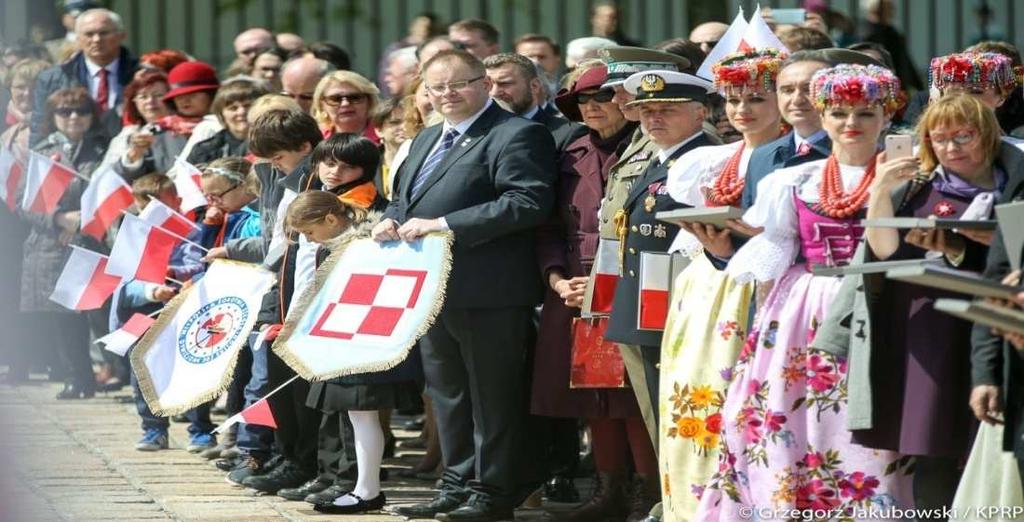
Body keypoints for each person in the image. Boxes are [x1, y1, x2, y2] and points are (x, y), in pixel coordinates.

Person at [695, 64, 913, 519]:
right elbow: (775, 258)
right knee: (789, 414)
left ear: (886, 117)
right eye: (838, 112)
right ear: (822, 114)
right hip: (800, 310)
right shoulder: (792, 181)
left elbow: (889, 253)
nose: (850, 123)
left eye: (865, 113)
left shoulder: (910, 178)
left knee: (869, 424)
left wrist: (889, 186)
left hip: (877, 305)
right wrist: (759, 342)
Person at [374, 49, 557, 521]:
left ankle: (493, 492)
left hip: (490, 292)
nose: (446, 95)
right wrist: (389, 222)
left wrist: (446, 224)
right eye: (436, 87)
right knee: (448, 394)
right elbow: (405, 201)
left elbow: (527, 201)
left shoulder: (517, 134)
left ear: (485, 84)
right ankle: (455, 484)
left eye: (457, 84)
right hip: (432, 289)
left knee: (493, 398)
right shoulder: (428, 137)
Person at [846, 94, 1015, 511]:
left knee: (992, 446)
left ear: (988, 136)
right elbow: (886, 252)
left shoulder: (1013, 185)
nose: (952, 148)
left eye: (963, 136)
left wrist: (967, 247)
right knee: (934, 450)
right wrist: (882, 188)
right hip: (930, 331)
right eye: (940, 139)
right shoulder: (919, 186)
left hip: (997, 327)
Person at [658, 48, 786, 522]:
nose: (742, 110)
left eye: (756, 98)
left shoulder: (795, 158)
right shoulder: (712, 160)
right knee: (692, 393)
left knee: (741, 398)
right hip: (706, 285)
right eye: (733, 100)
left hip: (757, 284)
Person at [535, 62, 651, 520]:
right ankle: (610, 492)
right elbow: (548, 227)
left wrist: (603, 285)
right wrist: (557, 279)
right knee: (595, 396)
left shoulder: (647, 149)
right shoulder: (571, 152)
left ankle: (647, 493)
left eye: (602, 98)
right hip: (572, 289)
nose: (593, 108)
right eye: (584, 101)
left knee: (633, 398)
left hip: (630, 284)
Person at [601, 68, 718, 519]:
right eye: (647, 111)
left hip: (675, 301)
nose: (653, 119)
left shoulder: (707, 158)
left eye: (666, 110)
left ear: (700, 112)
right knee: (658, 413)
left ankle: (683, 501)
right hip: (642, 300)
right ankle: (672, 498)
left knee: (678, 410)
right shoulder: (661, 157)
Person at [593, 47, 692, 445]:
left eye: (622, 90)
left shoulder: (690, 148)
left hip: (667, 289)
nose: (617, 99)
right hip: (635, 287)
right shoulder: (643, 142)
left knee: (671, 401)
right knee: (651, 402)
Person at [226, 110, 324, 492]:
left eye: (280, 158)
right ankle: (286, 453)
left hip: (304, 292)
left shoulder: (317, 178)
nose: (274, 167)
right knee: (275, 381)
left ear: (305, 146)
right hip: (278, 288)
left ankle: (303, 459)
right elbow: (276, 242)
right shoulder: (283, 179)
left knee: (297, 385)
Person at [22, 87, 109, 400]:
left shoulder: (103, 149)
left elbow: (113, 191)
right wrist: (60, 219)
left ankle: (114, 372)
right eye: (65, 112)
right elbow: (25, 201)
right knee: (64, 315)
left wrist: (82, 220)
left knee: (100, 313)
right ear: (52, 117)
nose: (73, 118)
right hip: (52, 244)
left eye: (81, 111)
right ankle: (77, 378)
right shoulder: (42, 153)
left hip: (93, 240)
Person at [30, 8, 138, 146]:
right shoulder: (53, 78)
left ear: (122, 36)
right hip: (73, 160)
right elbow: (40, 130)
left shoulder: (141, 74)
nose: (96, 39)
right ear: (78, 39)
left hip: (129, 156)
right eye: (89, 34)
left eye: (104, 33)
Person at [742, 50, 834, 207]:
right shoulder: (762, 156)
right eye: (788, 90)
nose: (797, 100)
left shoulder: (855, 152)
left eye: (808, 89)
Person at [113, 61, 219, 182]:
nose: (185, 100)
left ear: (211, 95)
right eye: (179, 95)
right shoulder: (157, 131)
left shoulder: (226, 126)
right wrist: (134, 156)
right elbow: (130, 180)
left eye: (193, 94)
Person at [483, 52, 586, 151]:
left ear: (534, 86)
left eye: (505, 83)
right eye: (488, 85)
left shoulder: (568, 134)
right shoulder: (474, 133)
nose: (494, 93)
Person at [186, 78, 269, 166]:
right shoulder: (204, 151)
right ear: (221, 114)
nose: (241, 112)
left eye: (247, 106)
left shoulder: (273, 144)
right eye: (233, 108)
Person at [857, 0, 923, 91]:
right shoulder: (866, 32)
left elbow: (905, 61)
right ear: (876, 9)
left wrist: (918, 85)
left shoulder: (891, 32)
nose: (892, 11)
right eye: (889, 7)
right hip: (876, 85)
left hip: (896, 84)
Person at [311, 71, 380, 143]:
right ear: (322, 105)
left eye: (355, 98)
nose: (345, 104)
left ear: (369, 101)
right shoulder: (315, 142)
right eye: (335, 99)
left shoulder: (385, 137)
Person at [2, 59, 49, 156]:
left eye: (35, 87)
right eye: (20, 87)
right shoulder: (5, 131)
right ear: (10, 89)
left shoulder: (60, 125)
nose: (27, 93)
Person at [369, 98, 407, 200]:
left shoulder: (424, 158)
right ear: (378, 130)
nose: (404, 127)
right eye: (395, 122)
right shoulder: (368, 161)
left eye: (409, 120)